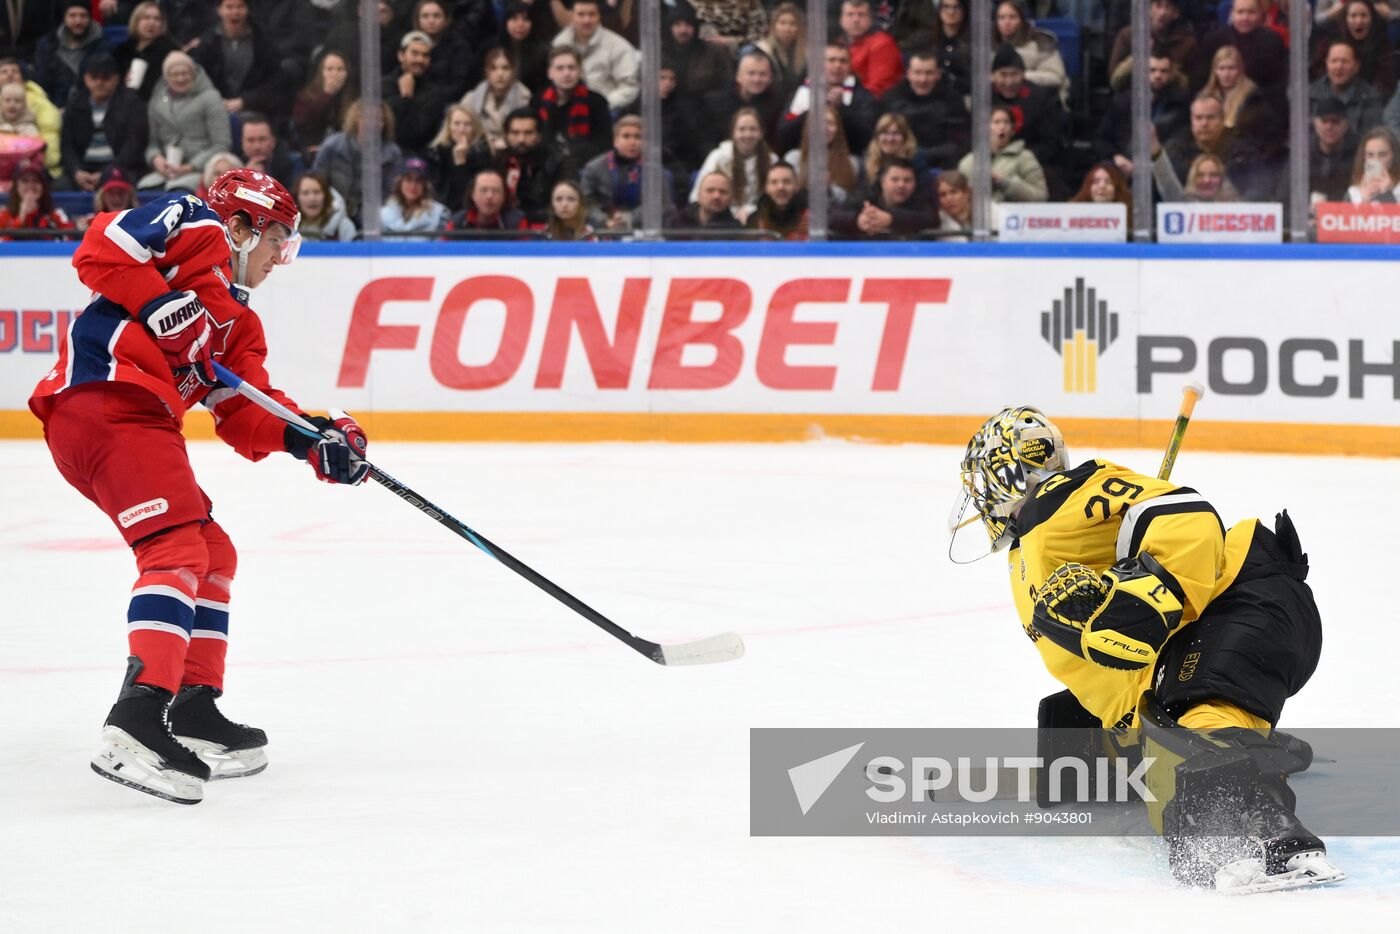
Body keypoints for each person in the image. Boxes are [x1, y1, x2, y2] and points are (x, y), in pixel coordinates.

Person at [26, 168, 372, 806]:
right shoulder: (197, 225)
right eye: (278, 241)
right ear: (242, 226)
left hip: (137, 421)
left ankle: (190, 706)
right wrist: (159, 303)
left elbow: (244, 409)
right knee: (177, 551)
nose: (278, 258)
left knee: (214, 553)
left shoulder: (239, 323)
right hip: (103, 400)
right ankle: (136, 716)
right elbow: (102, 248)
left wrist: (312, 437)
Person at [947, 407, 1342, 893]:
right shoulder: (1035, 536)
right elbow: (1117, 651)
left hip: (1244, 602)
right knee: (1168, 756)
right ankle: (1234, 752)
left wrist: (1144, 596)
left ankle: (1267, 836)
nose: (981, 498)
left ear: (1008, 472)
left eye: (984, 482)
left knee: (1198, 720)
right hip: (1232, 622)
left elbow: (1188, 517)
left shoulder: (1061, 498)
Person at [141, 53, 232, 192]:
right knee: (144, 189)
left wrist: (190, 167)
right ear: (166, 77)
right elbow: (152, 143)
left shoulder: (211, 98)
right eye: (174, 74)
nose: (180, 78)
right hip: (167, 169)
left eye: (185, 73)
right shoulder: (157, 101)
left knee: (177, 193)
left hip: (201, 168)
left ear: (193, 73)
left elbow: (221, 144)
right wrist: (156, 159)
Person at [62, 53, 150, 193]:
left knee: (121, 187)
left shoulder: (132, 103)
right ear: (85, 78)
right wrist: (76, 171)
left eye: (105, 78)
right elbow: (67, 144)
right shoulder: (75, 103)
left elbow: (134, 144)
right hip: (84, 169)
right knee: (59, 186)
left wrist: (108, 172)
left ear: (116, 79)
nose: (99, 83)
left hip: (121, 168)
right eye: (94, 77)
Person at [1095, 48, 1190, 175]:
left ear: (1172, 73)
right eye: (1152, 70)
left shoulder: (1181, 104)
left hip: (1164, 168)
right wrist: (1116, 157)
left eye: (1164, 71)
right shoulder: (1122, 101)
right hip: (1125, 165)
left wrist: (1157, 163)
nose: (1158, 76)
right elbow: (1102, 139)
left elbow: (1179, 140)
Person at [990, 44, 1065, 195]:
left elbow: (1051, 142)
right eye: (1003, 75)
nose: (1009, 82)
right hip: (991, 159)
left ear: (1024, 75)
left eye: (1014, 74)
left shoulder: (1042, 98)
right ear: (993, 76)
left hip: (1033, 160)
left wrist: (1019, 160)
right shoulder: (984, 97)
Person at [312, 100, 406, 219]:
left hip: (375, 214)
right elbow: (318, 182)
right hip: (334, 209)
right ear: (357, 119)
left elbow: (392, 191)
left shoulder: (392, 153)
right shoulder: (332, 146)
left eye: (379, 119)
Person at [778, 43, 879, 153]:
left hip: (847, 155)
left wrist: (842, 109)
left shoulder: (862, 95)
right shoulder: (802, 91)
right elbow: (784, 133)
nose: (837, 65)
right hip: (805, 153)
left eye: (843, 61)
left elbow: (866, 137)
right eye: (831, 60)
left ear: (849, 66)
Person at [189, 0, 283, 118]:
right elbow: (198, 78)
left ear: (247, 10)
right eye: (229, 7)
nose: (235, 12)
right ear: (219, 10)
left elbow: (275, 79)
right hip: (214, 108)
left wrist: (246, 101)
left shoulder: (263, 40)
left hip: (255, 110)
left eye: (240, 7)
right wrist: (216, 101)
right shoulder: (208, 42)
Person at [880, 49, 970, 171]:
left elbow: (959, 143)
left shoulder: (952, 99)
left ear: (938, 75)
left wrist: (924, 155)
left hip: (941, 165)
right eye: (918, 73)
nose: (923, 79)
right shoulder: (892, 98)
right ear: (908, 74)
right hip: (898, 162)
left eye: (929, 73)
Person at [580, 115, 671, 232]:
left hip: (642, 229)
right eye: (626, 136)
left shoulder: (654, 170)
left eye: (638, 137)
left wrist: (630, 219)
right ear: (615, 141)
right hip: (603, 228)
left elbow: (662, 203)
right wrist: (605, 221)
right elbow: (585, 204)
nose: (632, 142)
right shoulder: (593, 168)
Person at [691, 106, 776, 223]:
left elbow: (775, 201)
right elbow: (696, 197)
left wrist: (750, 211)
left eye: (753, 129)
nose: (747, 134)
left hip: (759, 220)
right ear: (733, 133)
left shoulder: (772, 160)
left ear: (761, 133)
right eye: (742, 129)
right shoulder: (718, 157)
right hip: (721, 219)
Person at [551, 0, 639, 111]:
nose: (587, 20)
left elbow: (629, 87)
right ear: (572, 16)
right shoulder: (559, 43)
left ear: (599, 16)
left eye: (592, 14)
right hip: (565, 110)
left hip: (608, 111)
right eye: (581, 15)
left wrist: (602, 104)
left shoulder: (619, 46)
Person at [532, 46, 612, 165]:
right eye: (560, 68)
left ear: (580, 71)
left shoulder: (597, 102)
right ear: (550, 73)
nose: (566, 73)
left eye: (572, 67)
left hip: (584, 164)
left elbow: (603, 144)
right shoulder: (538, 100)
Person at [495, 107, 573, 224]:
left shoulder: (556, 162)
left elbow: (564, 203)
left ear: (539, 136)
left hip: (543, 228)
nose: (521, 139)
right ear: (506, 136)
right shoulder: (497, 162)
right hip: (501, 226)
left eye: (528, 133)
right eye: (515, 133)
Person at [383, 31, 455, 157]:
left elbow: (415, 135)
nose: (420, 60)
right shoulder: (384, 85)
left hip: (418, 156)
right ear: (401, 56)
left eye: (425, 55)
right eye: (414, 54)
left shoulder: (435, 93)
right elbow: (386, 127)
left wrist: (406, 97)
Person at [958, 103, 1048, 202]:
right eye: (996, 122)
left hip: (1013, 215)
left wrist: (1004, 183)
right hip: (980, 216)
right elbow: (960, 198)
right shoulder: (969, 161)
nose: (1002, 127)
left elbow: (1041, 196)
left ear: (1012, 130)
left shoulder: (1025, 157)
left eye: (1006, 122)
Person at [1194, 0, 1287, 96]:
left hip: (1260, 102)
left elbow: (1278, 82)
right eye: (1240, 12)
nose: (1245, 17)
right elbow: (1200, 81)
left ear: (1260, 14)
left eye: (1251, 12)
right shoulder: (1213, 41)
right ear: (1232, 14)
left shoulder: (1272, 41)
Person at [1310, 0, 1395, 97]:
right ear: (1345, 18)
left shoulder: (1382, 44)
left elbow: (1385, 82)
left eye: (1364, 16)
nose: (1359, 21)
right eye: (1353, 16)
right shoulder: (1330, 43)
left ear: (1372, 19)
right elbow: (1316, 74)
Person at [831, 157, 932, 239]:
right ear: (883, 182)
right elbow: (832, 215)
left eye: (907, 180)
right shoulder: (866, 195)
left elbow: (930, 219)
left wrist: (891, 219)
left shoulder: (920, 197)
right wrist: (857, 220)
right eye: (895, 179)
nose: (901, 185)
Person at [1108, 0, 1196, 91]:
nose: (1162, 13)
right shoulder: (1128, 35)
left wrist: (1170, 70)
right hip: (1133, 94)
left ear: (1175, 13)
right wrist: (1138, 55)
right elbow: (1114, 80)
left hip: (1171, 98)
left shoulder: (1186, 43)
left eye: (1168, 7)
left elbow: (1190, 84)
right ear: (1149, 9)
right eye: (1158, 6)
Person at [703, 50, 785, 148]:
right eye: (751, 73)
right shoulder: (716, 103)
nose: (757, 79)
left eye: (762, 74)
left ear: (770, 78)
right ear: (738, 76)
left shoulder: (777, 104)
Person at [31, 1, 105, 108]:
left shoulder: (102, 45)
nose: (78, 21)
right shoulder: (48, 45)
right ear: (64, 18)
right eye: (72, 15)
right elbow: (42, 82)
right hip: (54, 107)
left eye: (83, 16)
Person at [785, 103, 861, 204]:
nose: (824, 128)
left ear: (838, 129)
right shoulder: (793, 158)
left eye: (830, 123)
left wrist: (829, 190)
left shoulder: (852, 163)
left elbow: (852, 200)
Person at [992, 0, 1068, 101]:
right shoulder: (984, 45)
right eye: (1001, 18)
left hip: (1035, 100)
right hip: (994, 102)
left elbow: (1056, 77)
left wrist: (1020, 76)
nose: (1007, 22)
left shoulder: (1041, 41)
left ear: (1022, 20)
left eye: (1012, 17)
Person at [0, 57, 62, 180]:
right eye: (4, 72)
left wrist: (43, 161)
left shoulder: (40, 102)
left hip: (32, 166)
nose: (10, 75)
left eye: (15, 71)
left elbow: (50, 133)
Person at [426, 104, 494, 212]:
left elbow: (466, 196)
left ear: (475, 128)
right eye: (456, 124)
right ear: (449, 126)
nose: (461, 130)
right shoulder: (437, 153)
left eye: (467, 124)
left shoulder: (483, 154)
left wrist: (460, 163)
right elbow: (437, 189)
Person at [462, 47, 532, 151]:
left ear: (513, 71)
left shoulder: (525, 99)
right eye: (493, 68)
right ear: (487, 72)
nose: (500, 74)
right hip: (477, 150)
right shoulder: (471, 99)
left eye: (505, 68)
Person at [1309, 41, 1385, 136]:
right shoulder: (1310, 94)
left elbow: (1373, 136)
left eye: (1345, 61)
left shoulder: (1370, 98)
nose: (1339, 67)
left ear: (1356, 66)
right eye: (1334, 61)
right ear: (1326, 64)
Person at [292, 50, 356, 162]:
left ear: (347, 74)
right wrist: (326, 95)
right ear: (321, 73)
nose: (335, 74)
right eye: (329, 69)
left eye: (340, 69)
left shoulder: (353, 99)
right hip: (312, 149)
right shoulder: (306, 97)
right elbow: (302, 125)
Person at [664, 2, 734, 101]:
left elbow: (727, 85)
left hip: (709, 108)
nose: (683, 30)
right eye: (677, 25)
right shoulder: (660, 53)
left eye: (688, 25)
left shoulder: (714, 52)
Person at [115, 2, 180, 101]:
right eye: (146, 18)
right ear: (136, 21)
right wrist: (122, 80)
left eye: (157, 19)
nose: (151, 23)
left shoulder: (170, 51)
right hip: (124, 102)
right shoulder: (123, 49)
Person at [839, 0, 902, 98]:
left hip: (869, 106)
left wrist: (844, 97)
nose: (856, 20)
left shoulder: (882, 44)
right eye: (850, 15)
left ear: (871, 19)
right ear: (841, 20)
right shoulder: (839, 43)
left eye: (862, 15)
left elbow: (879, 89)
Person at [413, 0, 474, 99]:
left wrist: (427, 94)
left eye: (436, 16)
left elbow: (460, 85)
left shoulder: (459, 46)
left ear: (446, 20)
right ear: (417, 20)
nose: (431, 21)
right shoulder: (411, 44)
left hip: (447, 103)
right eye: (425, 16)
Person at [0, 160, 73, 237]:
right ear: (16, 186)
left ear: (43, 187)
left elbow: (69, 240)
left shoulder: (56, 214)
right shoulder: (4, 215)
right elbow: (3, 245)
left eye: (36, 181)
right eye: (25, 181)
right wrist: (21, 218)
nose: (31, 186)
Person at [445, 166, 530, 232]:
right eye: (483, 190)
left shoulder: (517, 222)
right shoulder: (456, 223)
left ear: (504, 196)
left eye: (496, 191)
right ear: (473, 195)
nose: (489, 196)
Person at [380, 158, 449, 236]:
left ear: (426, 186)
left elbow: (441, 245)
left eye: (419, 181)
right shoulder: (382, 214)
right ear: (400, 183)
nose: (413, 186)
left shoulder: (440, 213)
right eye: (408, 180)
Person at [494, 0, 552, 93]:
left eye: (525, 19)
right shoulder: (492, 46)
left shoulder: (542, 52)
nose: (520, 24)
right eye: (514, 19)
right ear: (506, 22)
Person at [755, 2, 805, 103]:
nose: (787, 28)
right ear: (774, 26)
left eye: (793, 24)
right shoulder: (762, 50)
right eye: (782, 23)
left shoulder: (806, 53)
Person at [1311, 96, 1358, 202]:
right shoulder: (1303, 155)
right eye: (1324, 121)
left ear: (1345, 124)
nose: (1329, 127)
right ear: (1315, 123)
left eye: (1335, 121)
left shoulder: (1358, 157)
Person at [745, 160, 807, 239]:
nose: (780, 187)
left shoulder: (812, 219)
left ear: (796, 186)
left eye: (787, 181)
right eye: (774, 182)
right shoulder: (755, 220)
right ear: (766, 188)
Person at [673, 170, 744, 235]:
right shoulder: (675, 222)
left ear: (731, 198)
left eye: (723, 192)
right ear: (699, 195)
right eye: (710, 190)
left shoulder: (736, 231)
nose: (716, 196)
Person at [238, 113, 297, 188]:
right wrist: (245, 177)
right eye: (250, 140)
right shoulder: (233, 166)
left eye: (262, 139)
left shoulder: (290, 165)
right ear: (242, 142)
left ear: (273, 141)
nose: (257, 146)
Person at [294, 171, 358, 241]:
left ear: (326, 196)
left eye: (317, 192)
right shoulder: (287, 228)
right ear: (297, 197)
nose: (312, 198)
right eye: (305, 193)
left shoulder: (343, 226)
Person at [864, 112, 923, 187]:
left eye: (895, 134)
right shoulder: (868, 161)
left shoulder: (916, 159)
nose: (890, 139)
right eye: (884, 133)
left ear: (905, 138)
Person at [1070, 161, 1132, 226]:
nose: (1102, 186)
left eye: (1109, 182)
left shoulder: (1129, 215)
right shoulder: (1073, 213)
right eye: (1096, 181)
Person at [1346, 125, 1400, 201]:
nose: (1376, 160)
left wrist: (1386, 193)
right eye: (1370, 155)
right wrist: (1363, 201)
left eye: (1382, 154)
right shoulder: (1353, 192)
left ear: (1394, 156)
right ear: (1364, 157)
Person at [936, 168, 971, 240]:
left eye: (954, 192)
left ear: (967, 192)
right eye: (943, 195)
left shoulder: (991, 215)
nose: (949, 199)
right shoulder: (937, 221)